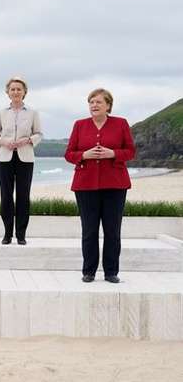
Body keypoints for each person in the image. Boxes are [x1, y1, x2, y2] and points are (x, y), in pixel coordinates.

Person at [65, 88, 135, 283]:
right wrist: (83, 155)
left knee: (112, 230)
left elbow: (130, 151)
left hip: (115, 184)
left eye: (98, 102)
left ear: (108, 106)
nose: (94, 105)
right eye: (91, 102)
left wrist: (112, 153)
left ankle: (111, 272)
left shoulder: (120, 124)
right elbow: (69, 154)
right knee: (89, 230)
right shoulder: (79, 125)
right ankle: (88, 271)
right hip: (85, 185)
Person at [0, 76, 43, 245]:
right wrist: (2, 142)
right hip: (4, 158)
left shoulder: (33, 112)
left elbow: (39, 134)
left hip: (25, 158)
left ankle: (21, 234)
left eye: (19, 89)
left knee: (23, 196)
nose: (15, 92)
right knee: (6, 196)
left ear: (24, 92)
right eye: (12, 89)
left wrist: (27, 141)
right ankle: (7, 233)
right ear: (8, 92)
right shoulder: (1, 112)